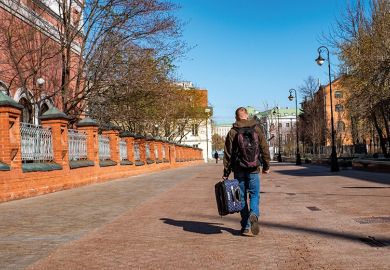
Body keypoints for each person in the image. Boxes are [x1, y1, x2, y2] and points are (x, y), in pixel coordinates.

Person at [222, 107, 270, 236]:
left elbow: (227, 154)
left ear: (236, 117)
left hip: (239, 169)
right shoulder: (257, 129)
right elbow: (264, 148)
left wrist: (226, 172)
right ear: (247, 116)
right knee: (254, 195)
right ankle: (254, 214)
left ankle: (245, 226)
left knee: (241, 197)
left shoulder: (233, 132)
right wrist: (266, 166)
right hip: (254, 168)